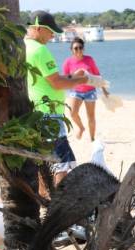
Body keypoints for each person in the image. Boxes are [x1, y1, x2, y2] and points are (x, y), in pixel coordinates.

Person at [24, 11, 108, 185]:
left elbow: (48, 79)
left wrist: (74, 77)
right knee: (63, 162)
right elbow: (56, 83)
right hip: (48, 112)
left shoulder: (25, 46)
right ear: (39, 28)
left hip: (34, 111)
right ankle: (57, 204)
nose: (53, 35)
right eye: (50, 31)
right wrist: (86, 79)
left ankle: (45, 198)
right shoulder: (40, 50)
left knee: (43, 160)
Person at [62, 37, 108, 142]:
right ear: (71, 50)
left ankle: (92, 138)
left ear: (83, 49)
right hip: (75, 91)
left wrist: (104, 90)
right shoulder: (68, 62)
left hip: (90, 91)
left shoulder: (89, 60)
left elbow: (97, 75)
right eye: (76, 48)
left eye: (80, 47)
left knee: (91, 116)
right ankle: (81, 128)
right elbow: (65, 79)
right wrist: (75, 74)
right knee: (73, 113)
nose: (78, 50)